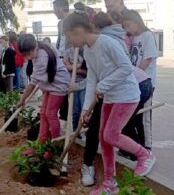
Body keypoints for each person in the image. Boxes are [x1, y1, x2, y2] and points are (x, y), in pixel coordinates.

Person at [63, 12, 156, 195]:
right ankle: (109, 183)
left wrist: (103, 85)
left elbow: (126, 67)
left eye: (68, 36)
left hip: (126, 95)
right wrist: (85, 109)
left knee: (111, 135)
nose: (68, 41)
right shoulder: (88, 50)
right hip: (110, 97)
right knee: (104, 139)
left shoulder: (106, 42)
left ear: (78, 31)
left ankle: (145, 155)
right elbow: (92, 79)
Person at [17, 34, 70, 143]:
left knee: (50, 114)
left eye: (28, 54)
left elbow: (32, 83)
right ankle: (41, 142)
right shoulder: (38, 48)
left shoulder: (42, 56)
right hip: (49, 84)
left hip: (58, 84)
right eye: (24, 55)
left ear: (34, 47)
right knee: (43, 113)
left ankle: (55, 143)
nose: (27, 58)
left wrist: (22, 99)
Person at [122, 10, 159, 150]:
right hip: (134, 82)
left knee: (144, 116)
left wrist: (136, 75)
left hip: (146, 82)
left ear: (137, 22)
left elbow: (147, 59)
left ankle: (147, 146)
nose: (127, 28)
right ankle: (138, 145)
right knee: (135, 116)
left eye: (128, 25)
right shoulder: (133, 38)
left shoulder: (147, 35)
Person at [53, 0, 70, 122]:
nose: (54, 12)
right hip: (61, 60)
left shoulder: (72, 21)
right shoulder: (60, 23)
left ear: (60, 8)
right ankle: (63, 116)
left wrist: (67, 58)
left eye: (54, 9)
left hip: (70, 61)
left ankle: (69, 119)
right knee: (62, 87)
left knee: (69, 90)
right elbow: (60, 42)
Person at [63, 48, 86, 131]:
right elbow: (67, 67)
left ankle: (84, 129)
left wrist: (73, 67)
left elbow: (86, 70)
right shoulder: (68, 52)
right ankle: (76, 131)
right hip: (72, 83)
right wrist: (80, 66)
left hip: (84, 83)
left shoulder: (85, 51)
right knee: (75, 110)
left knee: (84, 108)